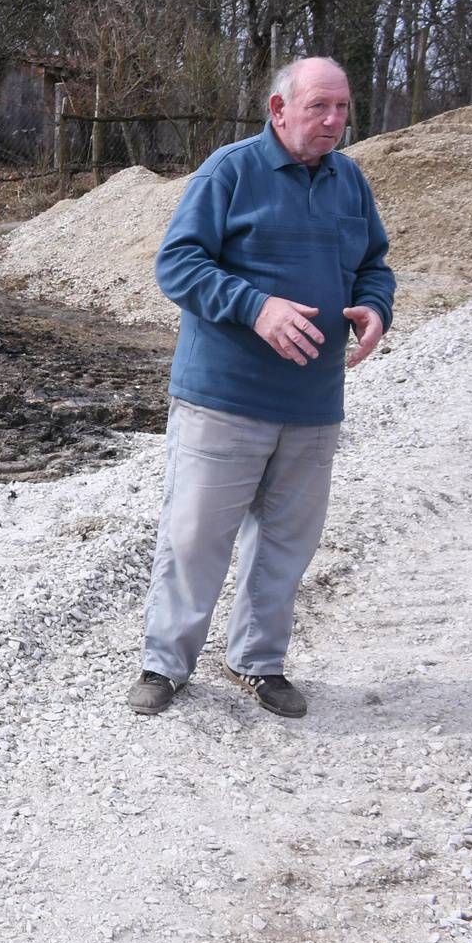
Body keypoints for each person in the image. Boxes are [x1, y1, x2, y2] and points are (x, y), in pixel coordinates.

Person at [127, 56, 394, 719]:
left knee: (286, 543)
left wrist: (375, 307)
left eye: (342, 109)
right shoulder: (232, 171)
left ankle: (257, 660)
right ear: (279, 110)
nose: (335, 121)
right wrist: (256, 307)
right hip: (224, 397)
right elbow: (177, 264)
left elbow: (374, 267)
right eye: (319, 108)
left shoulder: (349, 181)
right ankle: (165, 663)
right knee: (195, 537)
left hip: (311, 404)